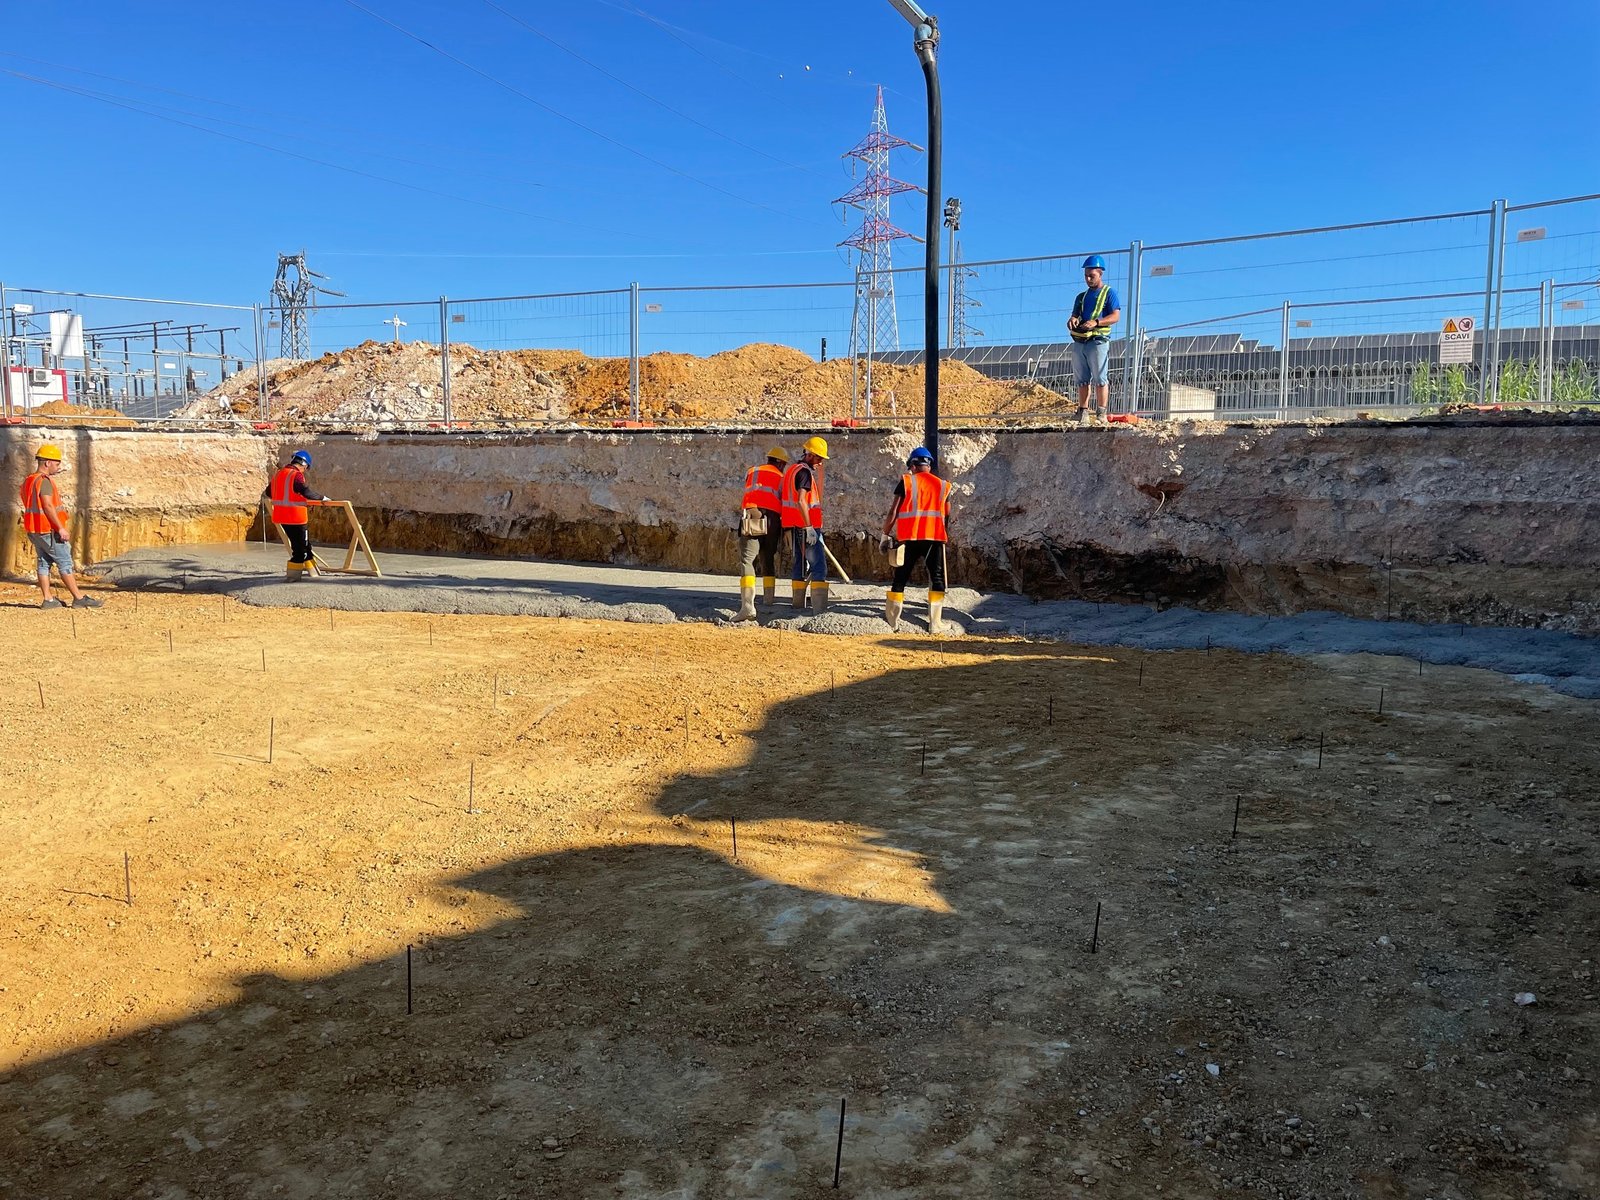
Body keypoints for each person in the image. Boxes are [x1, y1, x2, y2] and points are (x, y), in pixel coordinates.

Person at [19, 443, 103, 610]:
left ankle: (48, 600)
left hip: (34, 530)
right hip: (48, 530)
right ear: (47, 462)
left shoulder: (29, 480)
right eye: (57, 464)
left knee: (43, 563)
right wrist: (60, 528)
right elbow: (48, 506)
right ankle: (79, 598)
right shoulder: (44, 481)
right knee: (65, 563)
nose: (58, 467)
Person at [879, 446, 952, 634]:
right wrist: (943, 533)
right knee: (936, 577)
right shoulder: (943, 485)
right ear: (929, 465)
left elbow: (893, 512)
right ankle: (935, 624)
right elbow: (946, 514)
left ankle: (892, 621)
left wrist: (885, 535)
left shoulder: (906, 482)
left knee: (901, 576)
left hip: (910, 538)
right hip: (933, 538)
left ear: (912, 465)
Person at [734, 446, 788, 621]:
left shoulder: (753, 471)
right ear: (781, 463)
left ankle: (747, 606)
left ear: (769, 459)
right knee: (768, 557)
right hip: (773, 520)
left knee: (747, 560)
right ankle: (768, 601)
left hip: (753, 515)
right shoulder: (782, 477)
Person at [1067, 254, 1121, 424]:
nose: (1088, 279)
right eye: (1086, 276)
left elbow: (1115, 316)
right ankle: (1082, 412)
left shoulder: (1109, 293)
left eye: (1092, 276)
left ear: (1100, 274)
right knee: (1082, 379)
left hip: (1098, 340)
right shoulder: (1081, 297)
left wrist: (1096, 322)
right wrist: (1073, 320)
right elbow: (1075, 315)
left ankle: (1101, 413)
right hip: (1081, 340)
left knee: (1100, 378)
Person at [779, 436, 830, 612]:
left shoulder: (792, 470)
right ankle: (819, 610)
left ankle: (797, 605)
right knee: (818, 567)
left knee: (799, 566)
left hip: (792, 526)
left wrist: (821, 475)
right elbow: (801, 501)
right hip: (805, 527)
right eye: (819, 458)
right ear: (810, 455)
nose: (820, 462)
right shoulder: (804, 473)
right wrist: (809, 528)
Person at [268, 450, 333, 580]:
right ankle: (293, 577)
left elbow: (269, 492)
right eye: (306, 468)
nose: (305, 470)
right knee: (300, 550)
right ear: (304, 464)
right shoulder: (295, 475)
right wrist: (322, 498)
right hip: (296, 517)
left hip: (282, 516)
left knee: (304, 545)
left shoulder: (279, 474)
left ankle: (314, 573)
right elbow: (305, 491)